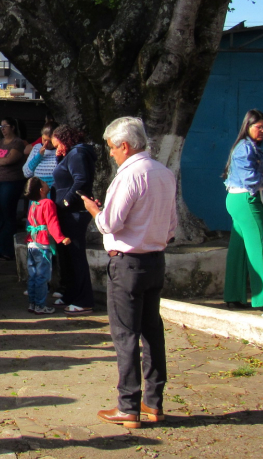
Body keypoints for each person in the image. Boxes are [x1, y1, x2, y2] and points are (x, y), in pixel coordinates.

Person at [81, 117, 177, 430]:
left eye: (111, 148)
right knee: (152, 332)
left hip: (128, 262)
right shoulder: (164, 173)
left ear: (124, 145)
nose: (110, 153)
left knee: (125, 334)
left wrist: (96, 212)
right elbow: (172, 225)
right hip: (155, 259)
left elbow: (111, 223)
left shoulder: (129, 176)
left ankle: (128, 405)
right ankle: (154, 401)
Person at [222, 109, 263, 309]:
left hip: (239, 199)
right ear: (248, 126)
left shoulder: (246, 146)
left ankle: (233, 296)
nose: (262, 130)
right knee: (262, 245)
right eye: (259, 127)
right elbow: (250, 177)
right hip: (247, 199)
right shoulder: (246, 148)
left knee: (239, 249)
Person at [50, 124, 97, 316]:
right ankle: (70, 293)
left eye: (58, 145)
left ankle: (84, 299)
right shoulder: (70, 155)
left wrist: (66, 200)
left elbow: (81, 180)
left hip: (73, 212)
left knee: (76, 256)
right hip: (64, 212)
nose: (57, 149)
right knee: (66, 256)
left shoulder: (77, 154)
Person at [23, 177, 70, 315]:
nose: (47, 183)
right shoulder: (48, 203)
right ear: (41, 190)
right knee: (42, 277)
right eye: (44, 182)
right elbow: (52, 223)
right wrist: (61, 238)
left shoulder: (33, 204)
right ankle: (40, 305)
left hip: (32, 243)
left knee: (33, 276)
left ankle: (33, 303)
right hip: (42, 245)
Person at [0, 117, 28, 262]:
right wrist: (1, 162)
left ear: (12, 127)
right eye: (1, 126)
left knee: (7, 214)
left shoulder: (17, 142)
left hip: (10, 182)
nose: (2, 129)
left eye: (5, 126)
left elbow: (9, 160)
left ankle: (8, 250)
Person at [23, 120, 58, 187]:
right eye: (44, 140)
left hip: (55, 190)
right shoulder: (37, 148)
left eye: (50, 142)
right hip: (38, 191)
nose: (46, 144)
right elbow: (26, 173)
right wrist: (39, 155)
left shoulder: (61, 150)